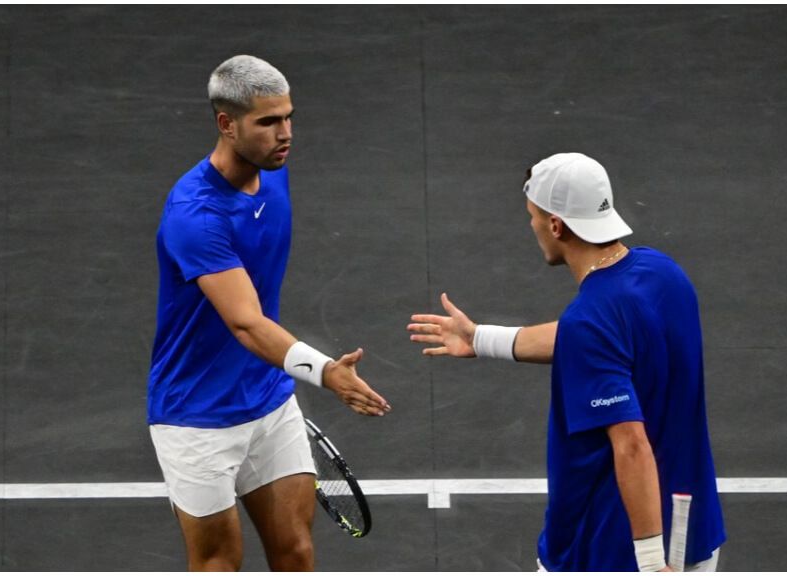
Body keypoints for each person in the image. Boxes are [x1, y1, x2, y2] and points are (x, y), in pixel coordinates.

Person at [408, 153, 725, 571]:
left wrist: (649, 561)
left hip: (608, 551)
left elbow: (630, 443)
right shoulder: (663, 274)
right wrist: (482, 338)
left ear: (556, 225)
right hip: (694, 532)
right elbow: (594, 340)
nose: (532, 226)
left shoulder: (590, 321)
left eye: (534, 217)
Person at [147, 54, 391, 571]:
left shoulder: (272, 169)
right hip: (197, 417)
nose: (285, 134)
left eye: (288, 117)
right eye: (267, 122)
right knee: (218, 563)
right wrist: (325, 372)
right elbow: (245, 322)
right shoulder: (196, 216)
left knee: (296, 552)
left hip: (269, 399)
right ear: (225, 124)